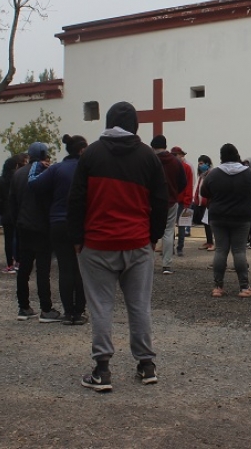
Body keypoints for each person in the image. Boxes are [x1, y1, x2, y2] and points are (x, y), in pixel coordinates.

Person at [67, 101, 168, 390]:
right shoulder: (148, 157)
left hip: (97, 244)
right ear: (135, 125)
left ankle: (102, 370)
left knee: (101, 307)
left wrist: (77, 239)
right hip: (137, 243)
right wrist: (152, 237)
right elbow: (160, 201)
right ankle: (146, 365)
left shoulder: (91, 154)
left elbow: (76, 199)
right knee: (139, 306)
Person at [29, 134, 89, 324]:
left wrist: (37, 164)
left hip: (57, 223)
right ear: (81, 150)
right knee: (81, 268)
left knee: (65, 268)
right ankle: (79, 311)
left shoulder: (56, 169)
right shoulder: (87, 169)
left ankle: (68, 312)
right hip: (81, 223)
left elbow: (34, 184)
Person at [8, 143, 61, 322]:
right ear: (44, 154)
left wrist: (17, 222)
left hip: (23, 225)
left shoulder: (18, 174)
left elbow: (12, 203)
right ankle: (46, 308)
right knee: (43, 268)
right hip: (42, 226)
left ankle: (23, 306)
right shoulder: (46, 173)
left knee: (24, 267)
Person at [201, 143, 251, 297]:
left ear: (221, 156)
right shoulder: (247, 173)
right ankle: (244, 287)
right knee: (239, 250)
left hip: (218, 216)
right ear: (237, 155)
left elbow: (204, 192)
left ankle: (218, 287)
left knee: (221, 250)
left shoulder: (213, 174)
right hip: (242, 217)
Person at [151, 135, 187, 275]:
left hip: (152, 201)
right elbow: (183, 182)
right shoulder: (175, 161)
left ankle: (148, 263)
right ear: (165, 146)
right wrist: (174, 191)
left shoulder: (150, 159)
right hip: (171, 201)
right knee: (168, 232)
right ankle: (166, 265)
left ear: (153, 146)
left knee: (149, 231)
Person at [0, 153, 27, 273]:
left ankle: (9, 264)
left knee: (8, 240)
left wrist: (2, 211)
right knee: (19, 239)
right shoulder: (19, 179)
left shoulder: (1, 180)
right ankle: (19, 262)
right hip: (19, 214)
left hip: (7, 215)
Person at [171, 146, 194, 253]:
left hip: (177, 200)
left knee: (177, 225)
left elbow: (189, 185)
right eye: (181, 155)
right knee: (176, 225)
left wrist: (187, 201)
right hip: (176, 200)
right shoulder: (185, 167)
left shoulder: (186, 167)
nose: (182, 157)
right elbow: (189, 185)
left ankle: (177, 247)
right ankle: (176, 247)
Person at [193, 155, 214, 250]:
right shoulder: (202, 175)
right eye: (199, 163)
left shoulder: (211, 175)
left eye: (201, 163)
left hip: (208, 203)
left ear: (207, 164)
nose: (199, 165)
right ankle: (208, 241)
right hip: (201, 203)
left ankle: (212, 243)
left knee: (209, 223)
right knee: (205, 223)